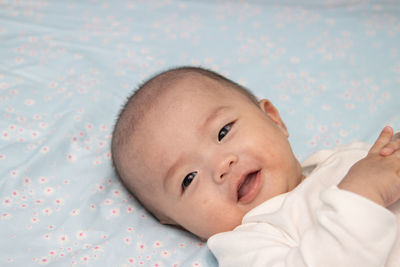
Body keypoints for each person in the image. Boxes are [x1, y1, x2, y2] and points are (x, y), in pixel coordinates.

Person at [111, 66, 400, 266]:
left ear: (274, 119)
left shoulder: (346, 159)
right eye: (188, 178)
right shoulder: (248, 245)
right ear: (176, 221)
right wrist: (363, 193)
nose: (221, 166)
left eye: (223, 132)